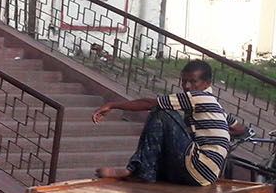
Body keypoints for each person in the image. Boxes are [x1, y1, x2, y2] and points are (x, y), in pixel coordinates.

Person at [93, 59, 244, 184]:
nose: (187, 86)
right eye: (184, 81)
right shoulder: (217, 107)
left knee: (163, 112)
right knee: (169, 125)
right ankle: (144, 170)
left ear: (207, 83)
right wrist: (212, 133)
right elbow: (239, 129)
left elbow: (149, 103)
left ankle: (137, 170)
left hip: (198, 166)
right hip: (207, 176)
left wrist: (112, 105)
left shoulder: (196, 97)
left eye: (193, 82)